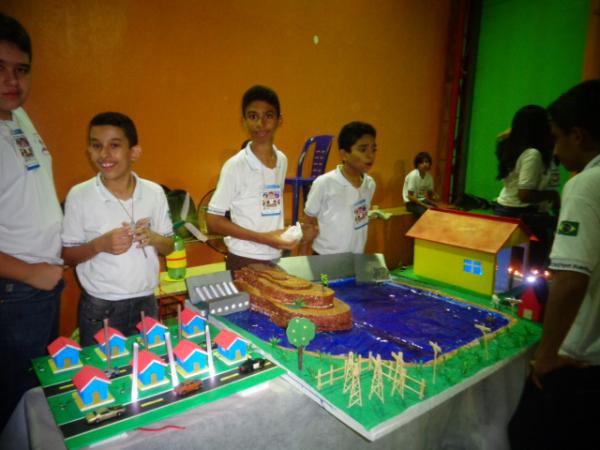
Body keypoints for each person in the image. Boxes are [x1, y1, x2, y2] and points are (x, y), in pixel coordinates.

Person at [508, 79, 600, 449]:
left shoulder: (585, 185)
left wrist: (546, 355)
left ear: (578, 135)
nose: (556, 151)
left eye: (557, 138)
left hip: (579, 355)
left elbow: (571, 279)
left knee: (530, 434)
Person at [0, 13, 64, 429]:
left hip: (41, 287)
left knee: (37, 397)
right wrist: (31, 273)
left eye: (21, 70)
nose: (12, 80)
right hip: (16, 292)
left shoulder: (18, 118)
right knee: (16, 404)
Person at [61, 112, 174, 346]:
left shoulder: (154, 192)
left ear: (134, 152)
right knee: (103, 375)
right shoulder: (79, 195)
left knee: (148, 370)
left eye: (114, 146)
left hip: (147, 302)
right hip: (101, 306)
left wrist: (152, 238)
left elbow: (169, 246)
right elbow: (67, 255)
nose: (104, 154)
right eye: (96, 146)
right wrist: (100, 245)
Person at [207, 85, 303, 271]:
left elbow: (267, 207)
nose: (261, 123)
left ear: (279, 120)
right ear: (244, 122)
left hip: (276, 255)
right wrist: (265, 238)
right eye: (253, 116)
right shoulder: (235, 166)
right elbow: (213, 220)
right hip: (245, 258)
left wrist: (288, 233)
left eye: (268, 115)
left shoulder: (282, 160)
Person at [493, 105, 560, 268]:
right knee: (532, 266)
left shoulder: (512, 146)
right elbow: (525, 194)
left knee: (507, 266)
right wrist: (552, 196)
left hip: (505, 209)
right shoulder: (532, 154)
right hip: (522, 214)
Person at [302, 121, 377, 254]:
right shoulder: (324, 183)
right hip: (325, 258)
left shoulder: (370, 184)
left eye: (373, 149)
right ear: (344, 154)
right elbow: (308, 221)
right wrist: (302, 261)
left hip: (355, 258)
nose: (370, 155)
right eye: (363, 149)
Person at [402, 151, 438, 218]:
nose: (424, 164)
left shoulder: (429, 177)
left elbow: (431, 194)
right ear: (417, 165)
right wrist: (425, 205)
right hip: (411, 203)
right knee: (424, 213)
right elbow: (411, 197)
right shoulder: (413, 175)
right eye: (421, 162)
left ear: (430, 164)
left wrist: (435, 197)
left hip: (422, 201)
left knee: (437, 210)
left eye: (426, 162)